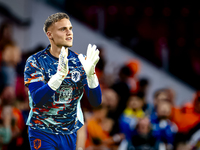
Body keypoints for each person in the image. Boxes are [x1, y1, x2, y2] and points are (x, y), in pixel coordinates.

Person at [24, 12, 102, 150]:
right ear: (50, 35)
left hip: (69, 133)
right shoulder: (35, 61)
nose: (69, 33)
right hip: (42, 131)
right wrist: (58, 77)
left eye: (70, 28)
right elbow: (37, 99)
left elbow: (96, 102)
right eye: (62, 29)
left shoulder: (80, 62)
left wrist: (91, 76)